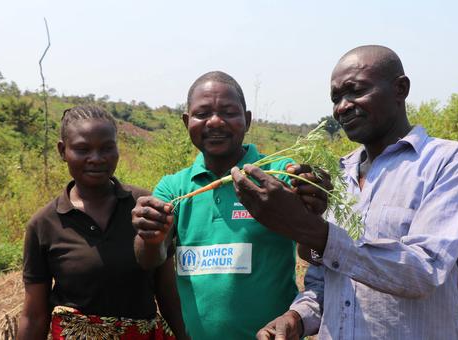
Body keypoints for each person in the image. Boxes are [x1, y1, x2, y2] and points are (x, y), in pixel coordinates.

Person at [231, 45, 458, 339]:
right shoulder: (338, 176)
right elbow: (324, 277)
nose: (342, 106)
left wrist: (310, 229)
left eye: (355, 91)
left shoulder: (451, 163)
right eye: (336, 98)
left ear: (400, 89)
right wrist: (297, 318)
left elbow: (424, 271)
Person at [132, 71, 325, 340]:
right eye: (202, 114)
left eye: (228, 112)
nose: (215, 122)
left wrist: (312, 212)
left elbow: (309, 253)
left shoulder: (278, 175)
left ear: (246, 120)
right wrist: (150, 236)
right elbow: (149, 259)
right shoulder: (174, 187)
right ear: (187, 122)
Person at [18, 105, 186, 340]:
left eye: (107, 148)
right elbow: (34, 315)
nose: (96, 159)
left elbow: (168, 295)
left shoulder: (145, 208)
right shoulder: (44, 224)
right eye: (82, 149)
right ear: (62, 150)